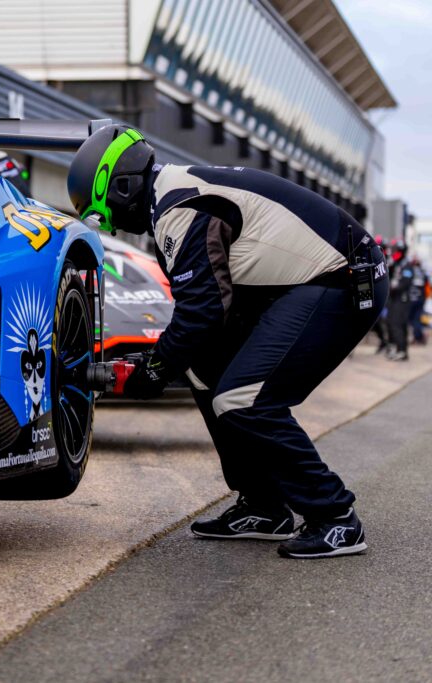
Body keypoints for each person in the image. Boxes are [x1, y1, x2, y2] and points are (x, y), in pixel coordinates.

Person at [68, 125, 388, 559]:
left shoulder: (179, 207)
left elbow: (202, 311)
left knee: (243, 398)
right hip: (306, 281)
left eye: (103, 214)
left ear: (119, 187)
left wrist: (152, 372)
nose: (111, 225)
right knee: (204, 372)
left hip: (343, 277)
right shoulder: (174, 194)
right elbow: (207, 312)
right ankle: (263, 506)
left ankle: (335, 518)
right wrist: (162, 362)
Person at [385, 241, 413, 361]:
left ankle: (402, 351)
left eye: (397, 250)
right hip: (394, 298)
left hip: (402, 299)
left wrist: (394, 286)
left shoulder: (406, 265)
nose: (394, 252)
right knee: (390, 322)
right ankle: (396, 348)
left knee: (397, 324)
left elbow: (405, 283)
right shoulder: (395, 263)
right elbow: (389, 275)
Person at [407, 257, 427, 345]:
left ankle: (419, 337)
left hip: (412, 300)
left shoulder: (410, 271)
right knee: (416, 319)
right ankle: (419, 337)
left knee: (413, 320)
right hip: (420, 299)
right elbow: (426, 285)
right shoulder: (423, 273)